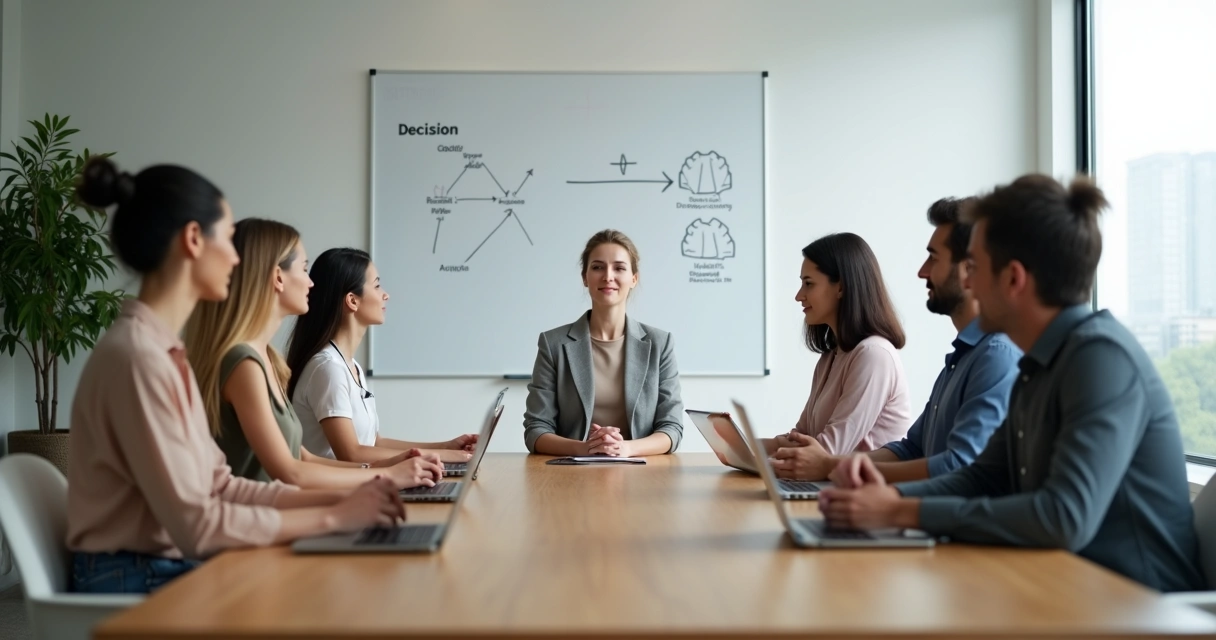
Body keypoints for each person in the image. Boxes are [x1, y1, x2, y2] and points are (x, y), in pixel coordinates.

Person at [820, 174, 1204, 593]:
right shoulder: (1037, 364)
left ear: (1014, 279)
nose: (968, 283)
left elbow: (1063, 517)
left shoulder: (1100, 358)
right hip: (1070, 589)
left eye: (977, 268)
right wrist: (894, 501)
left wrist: (900, 513)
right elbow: (983, 477)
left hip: (1139, 608)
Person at [66, 159, 403, 594]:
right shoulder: (140, 359)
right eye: (228, 238)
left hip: (163, 559)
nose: (237, 257)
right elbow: (197, 526)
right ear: (193, 240)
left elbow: (220, 485)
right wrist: (335, 516)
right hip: (135, 572)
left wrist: (346, 499)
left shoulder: (164, 352)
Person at [185, 219, 443, 490]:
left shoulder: (269, 360)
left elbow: (303, 457)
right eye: (305, 269)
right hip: (261, 521)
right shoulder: (245, 365)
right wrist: (387, 476)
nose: (311, 283)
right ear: (278, 277)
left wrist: (383, 468)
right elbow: (291, 473)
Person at [781, 199, 1022, 482]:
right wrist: (835, 466)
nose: (922, 271)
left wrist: (832, 468)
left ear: (970, 269)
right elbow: (911, 449)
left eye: (933, 257)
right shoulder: (961, 358)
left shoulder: (996, 356)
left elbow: (958, 467)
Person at [286, 247, 478, 463]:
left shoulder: (351, 366)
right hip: (336, 493)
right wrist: (444, 456)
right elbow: (351, 454)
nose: (385, 294)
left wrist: (446, 446)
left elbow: (375, 443)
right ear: (352, 301)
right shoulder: (327, 368)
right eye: (377, 285)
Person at [523, 230, 684, 456]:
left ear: (633, 278)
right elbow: (535, 430)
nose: (608, 276)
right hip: (571, 474)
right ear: (584, 277)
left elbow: (672, 428)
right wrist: (586, 448)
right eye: (598, 267)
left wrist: (625, 448)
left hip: (643, 474)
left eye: (619, 268)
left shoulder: (660, 343)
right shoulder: (553, 344)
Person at [764, 233, 911, 477]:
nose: (799, 295)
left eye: (808, 283)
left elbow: (827, 453)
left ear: (841, 287)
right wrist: (747, 448)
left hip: (865, 499)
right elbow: (804, 437)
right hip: (835, 488)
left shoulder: (873, 355)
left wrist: (761, 458)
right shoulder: (831, 357)